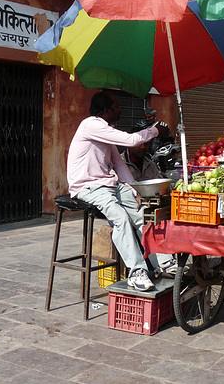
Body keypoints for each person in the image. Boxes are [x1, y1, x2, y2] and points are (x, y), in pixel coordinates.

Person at [67, 90, 171, 291]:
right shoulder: (91, 125)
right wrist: (155, 130)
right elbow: (132, 141)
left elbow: (118, 164)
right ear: (106, 110)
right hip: (88, 187)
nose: (121, 109)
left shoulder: (105, 130)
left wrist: (133, 188)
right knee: (121, 218)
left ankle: (164, 262)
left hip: (109, 185)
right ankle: (137, 271)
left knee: (143, 214)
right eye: (116, 106)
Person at [120, 137, 178, 276]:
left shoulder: (149, 163)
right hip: (128, 205)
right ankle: (157, 264)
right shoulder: (120, 163)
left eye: (146, 144)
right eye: (139, 144)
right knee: (144, 219)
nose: (143, 147)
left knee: (162, 218)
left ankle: (165, 261)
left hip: (148, 204)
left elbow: (158, 183)